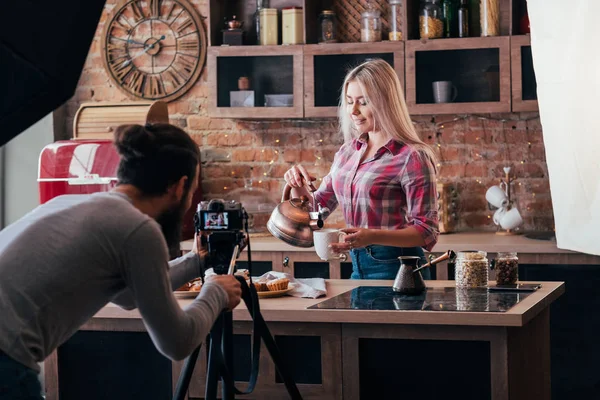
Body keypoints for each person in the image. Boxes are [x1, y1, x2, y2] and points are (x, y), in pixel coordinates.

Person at [0, 123, 242, 399]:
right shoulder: (137, 228)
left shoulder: (70, 203)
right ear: (180, 186)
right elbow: (177, 342)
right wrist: (216, 292)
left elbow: (126, 295)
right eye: (193, 190)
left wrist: (196, 262)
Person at [284, 59, 439, 280]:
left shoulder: (412, 156)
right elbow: (316, 214)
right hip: (358, 265)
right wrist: (297, 185)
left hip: (400, 267)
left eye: (363, 102)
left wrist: (371, 236)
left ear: (385, 102)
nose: (353, 111)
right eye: (349, 102)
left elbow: (427, 231)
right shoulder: (348, 152)